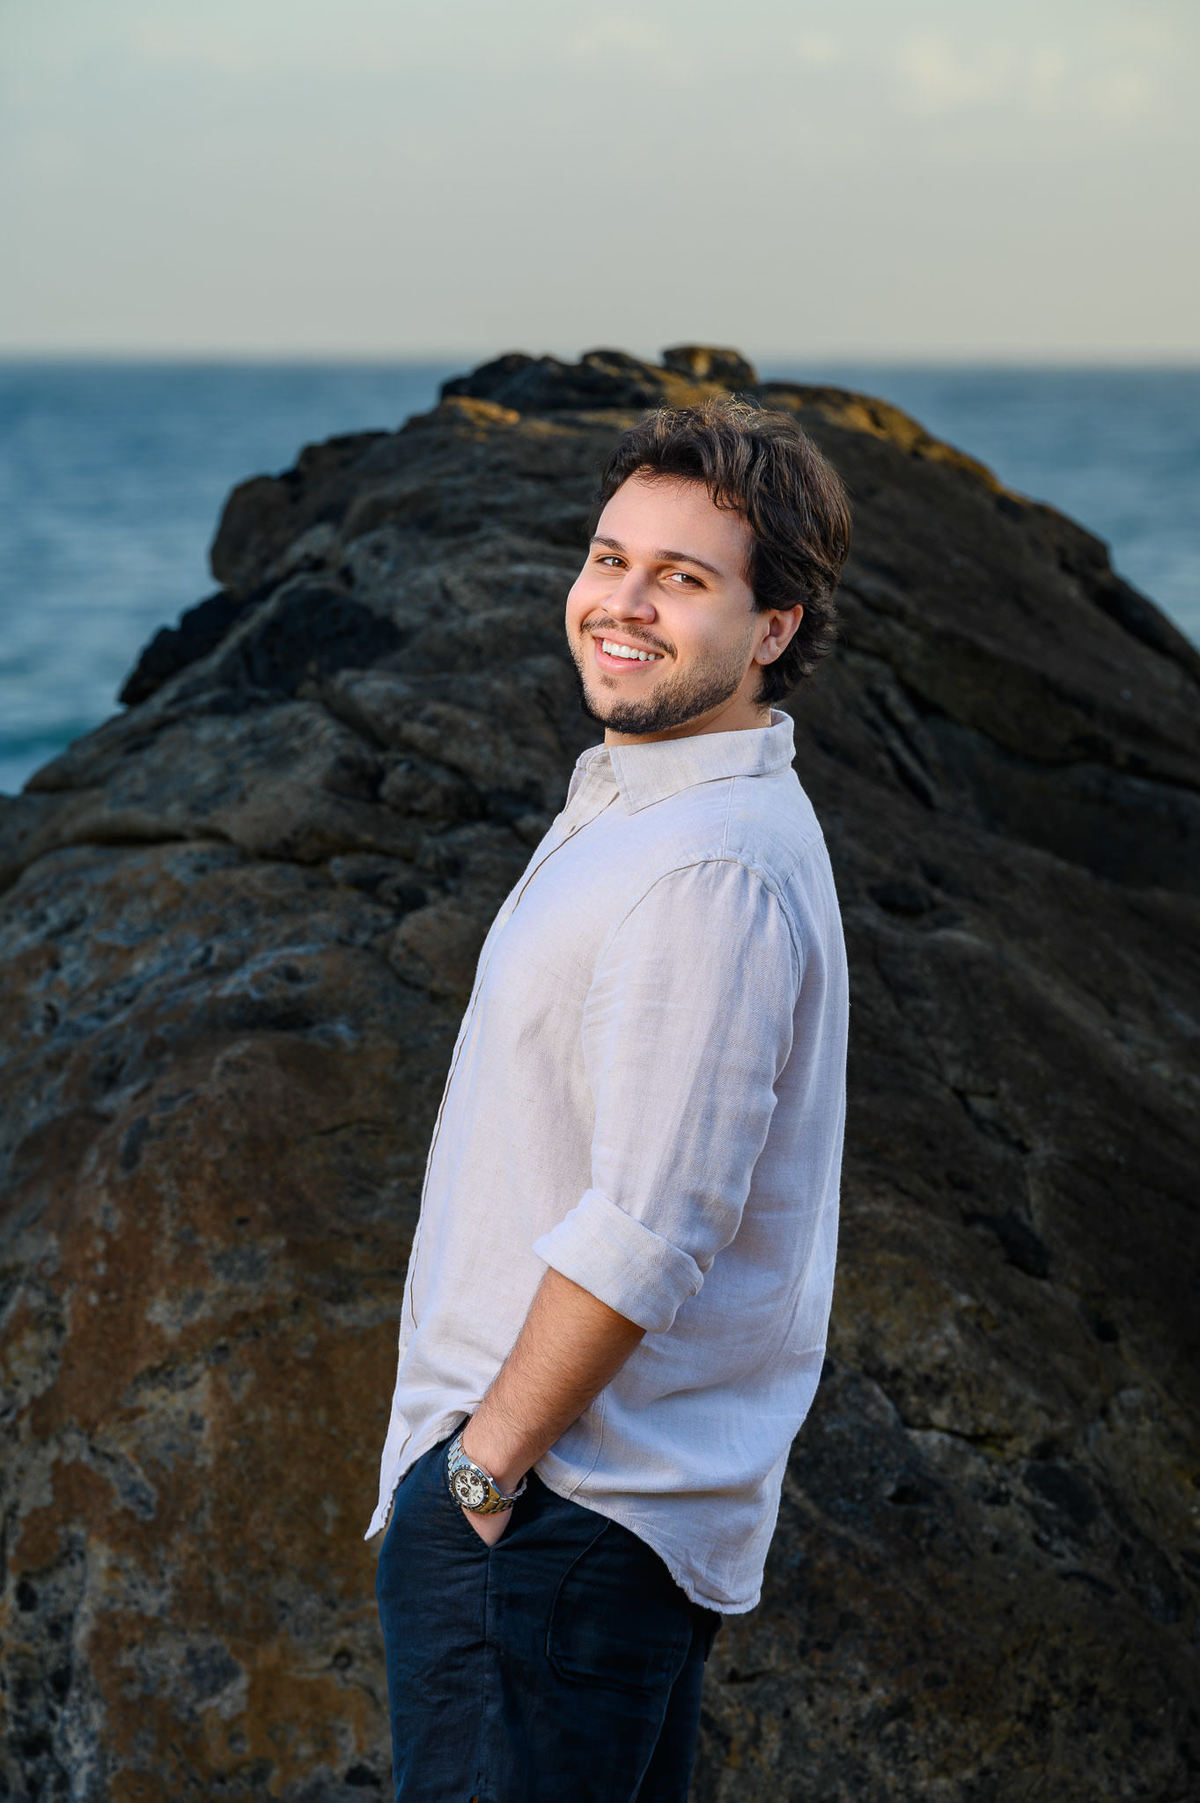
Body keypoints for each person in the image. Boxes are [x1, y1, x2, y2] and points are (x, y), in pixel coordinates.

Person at [368, 395, 853, 1803]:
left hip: (557, 1524)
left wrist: (478, 1477)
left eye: (681, 578)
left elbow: (654, 1220)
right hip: (576, 1525)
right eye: (607, 558)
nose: (620, 603)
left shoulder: (704, 865)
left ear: (774, 630)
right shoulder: (656, 811)